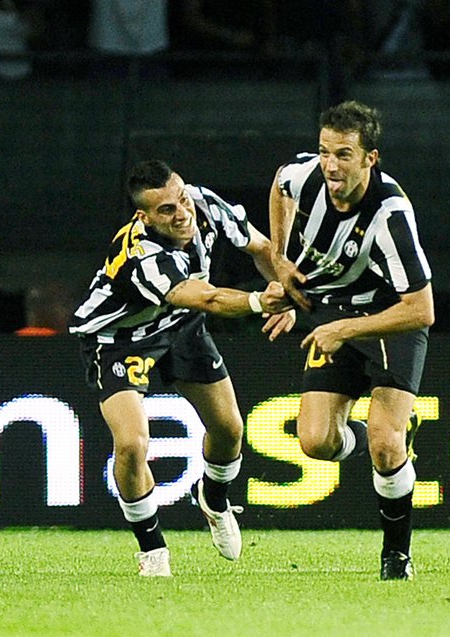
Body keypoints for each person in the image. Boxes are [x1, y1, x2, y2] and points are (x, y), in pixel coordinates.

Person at [69, 159, 294, 576]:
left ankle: (213, 497)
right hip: (119, 339)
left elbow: (264, 249)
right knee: (132, 444)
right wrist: (261, 301)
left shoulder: (204, 204)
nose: (182, 214)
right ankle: (152, 550)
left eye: (182, 200)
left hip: (182, 325)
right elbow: (208, 299)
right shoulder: (142, 255)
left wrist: (286, 294)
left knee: (229, 430)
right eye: (167, 210)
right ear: (144, 217)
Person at [268, 100, 434, 581]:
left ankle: (396, 557)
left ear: (370, 158)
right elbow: (280, 184)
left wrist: (342, 330)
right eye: (325, 152)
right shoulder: (306, 177)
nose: (331, 165)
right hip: (336, 309)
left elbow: (421, 309)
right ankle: (396, 432)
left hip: (391, 316)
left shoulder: (390, 215)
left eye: (344, 154)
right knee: (316, 442)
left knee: (385, 443)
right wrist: (280, 260)